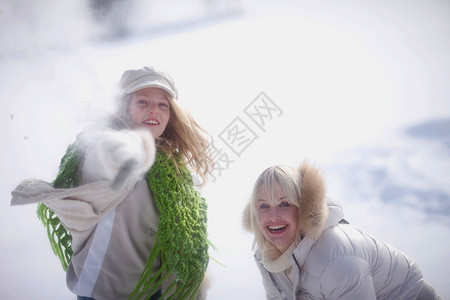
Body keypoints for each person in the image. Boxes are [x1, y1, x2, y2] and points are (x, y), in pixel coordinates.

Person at [11, 66, 213, 300]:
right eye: (143, 102)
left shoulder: (170, 167)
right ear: (123, 107)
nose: (154, 111)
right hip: (104, 289)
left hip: (153, 290)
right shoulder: (102, 147)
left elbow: (181, 237)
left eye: (162, 104)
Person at [242, 163, 441, 299]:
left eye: (284, 204)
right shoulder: (268, 258)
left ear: (302, 208)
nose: (273, 215)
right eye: (264, 206)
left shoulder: (334, 255)